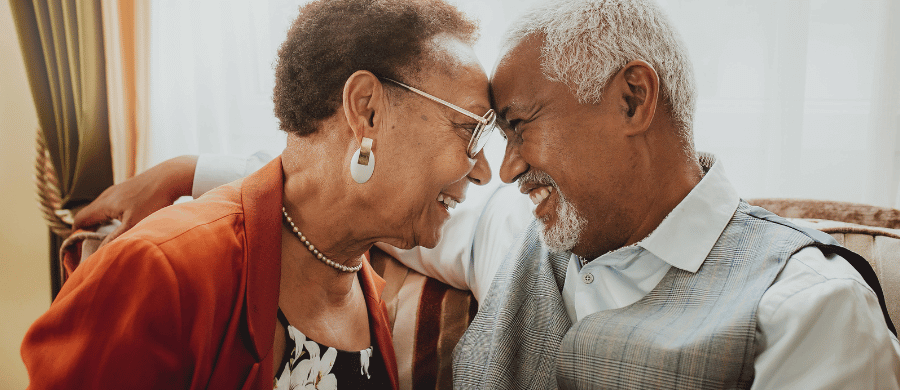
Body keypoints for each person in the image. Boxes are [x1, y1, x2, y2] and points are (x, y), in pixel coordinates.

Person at [72, 0, 900, 388]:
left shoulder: (808, 304)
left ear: (632, 100)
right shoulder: (526, 235)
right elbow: (346, 189)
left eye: (518, 127)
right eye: (483, 138)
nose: (498, 171)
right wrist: (185, 173)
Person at [21, 0, 497, 389]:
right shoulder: (158, 271)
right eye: (472, 130)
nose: (483, 171)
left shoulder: (365, 289)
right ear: (367, 111)